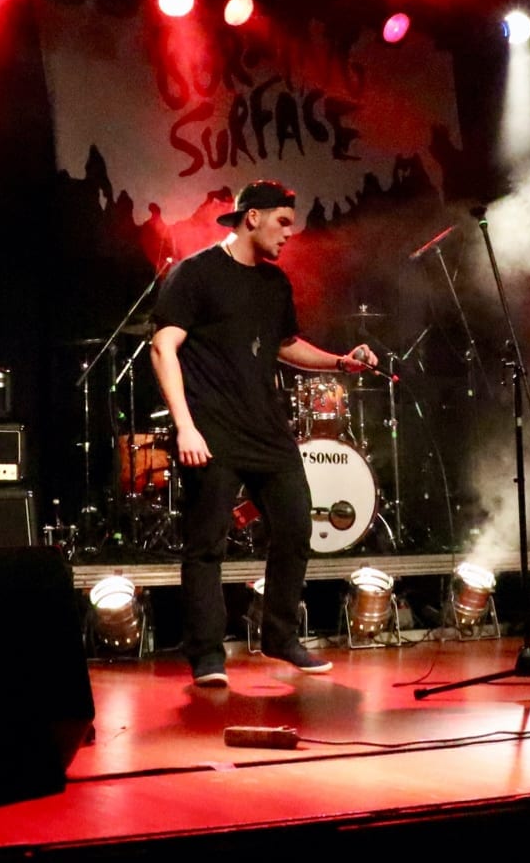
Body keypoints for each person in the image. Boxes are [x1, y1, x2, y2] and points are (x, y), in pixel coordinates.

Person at [150, 179, 378, 686]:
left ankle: (279, 635)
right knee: (206, 544)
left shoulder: (275, 283)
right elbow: (163, 348)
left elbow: (284, 345)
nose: (289, 233)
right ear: (252, 217)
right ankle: (207, 655)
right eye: (282, 222)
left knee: (296, 526)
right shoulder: (196, 273)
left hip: (267, 429)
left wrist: (341, 362)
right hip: (212, 428)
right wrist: (185, 427)